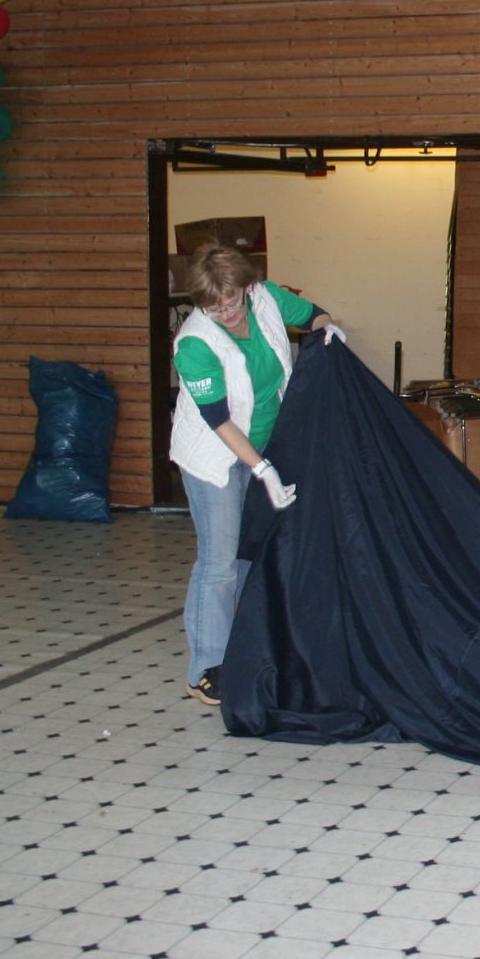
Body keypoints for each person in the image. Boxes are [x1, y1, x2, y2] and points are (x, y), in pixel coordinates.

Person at [170, 242, 343, 706]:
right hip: (216, 457)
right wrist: (261, 469)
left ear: (247, 288)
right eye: (212, 307)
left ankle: (244, 648)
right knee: (219, 561)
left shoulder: (266, 297)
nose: (225, 314)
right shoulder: (194, 343)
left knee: (250, 553)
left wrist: (328, 332)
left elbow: (315, 316)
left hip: (265, 440)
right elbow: (219, 420)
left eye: (230, 302)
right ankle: (206, 668)